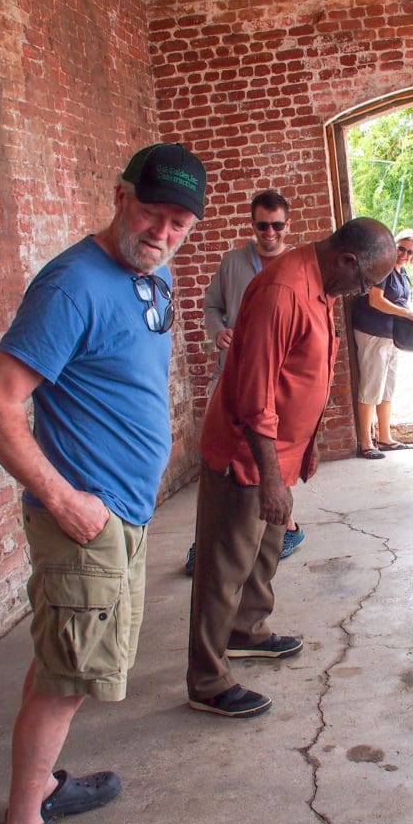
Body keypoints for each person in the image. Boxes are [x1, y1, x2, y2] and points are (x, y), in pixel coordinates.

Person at [0, 143, 206, 824]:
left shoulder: (149, 281)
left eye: (179, 223)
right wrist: (65, 499)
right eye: (151, 213)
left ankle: (40, 789)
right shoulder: (72, 285)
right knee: (68, 678)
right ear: (119, 194)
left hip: (124, 513)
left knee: (61, 662)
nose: (162, 233)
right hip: (85, 521)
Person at [187, 217, 397, 718]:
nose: (362, 292)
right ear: (347, 260)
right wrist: (271, 478)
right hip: (247, 453)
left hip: (280, 451)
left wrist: (309, 442)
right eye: (366, 281)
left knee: (265, 548)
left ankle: (246, 630)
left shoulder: (320, 284)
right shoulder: (284, 290)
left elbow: (308, 371)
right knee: (225, 566)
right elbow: (253, 392)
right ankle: (207, 679)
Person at [182, 191, 304, 576]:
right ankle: (209, 539)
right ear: (252, 225)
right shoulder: (233, 262)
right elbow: (211, 306)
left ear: (288, 225)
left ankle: (286, 527)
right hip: (233, 371)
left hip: (279, 379)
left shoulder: (297, 265)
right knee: (221, 454)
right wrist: (218, 332)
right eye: (261, 225)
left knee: (275, 454)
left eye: (277, 225)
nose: (269, 232)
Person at [351, 227, 413, 459]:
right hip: (373, 332)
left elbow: (400, 302)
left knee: (387, 389)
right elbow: (376, 301)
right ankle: (366, 443)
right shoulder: (383, 269)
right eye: (401, 248)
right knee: (371, 387)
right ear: (393, 246)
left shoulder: (401, 272)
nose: (404, 254)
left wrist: (412, 314)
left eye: (410, 251)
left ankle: (385, 437)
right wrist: (407, 315)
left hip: (391, 336)